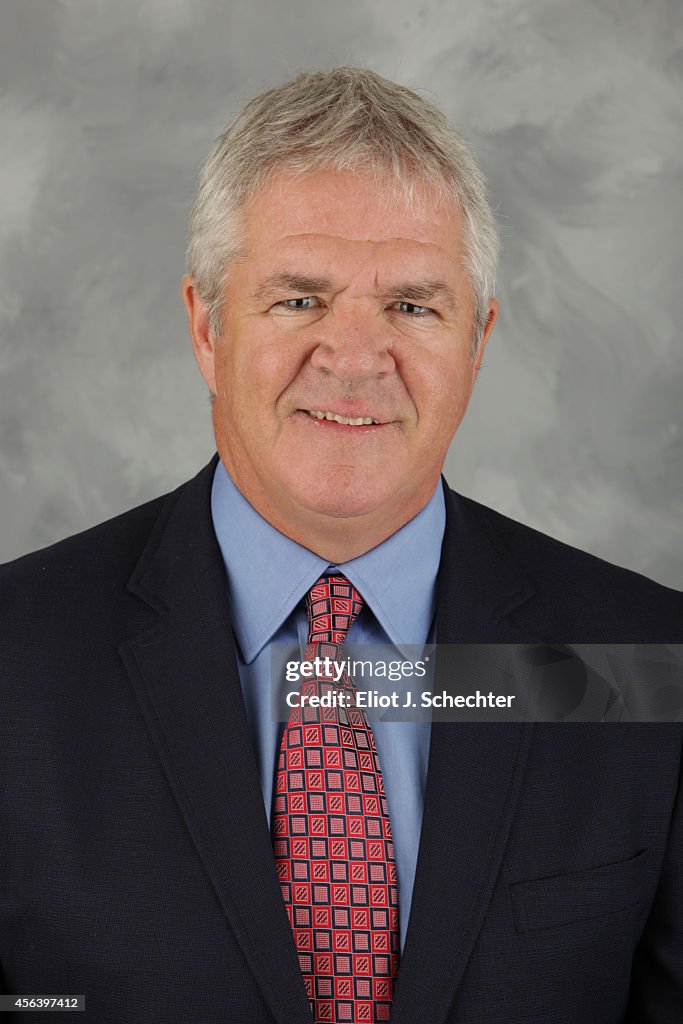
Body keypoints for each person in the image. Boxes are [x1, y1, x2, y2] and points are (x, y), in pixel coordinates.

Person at [1, 67, 682, 1024]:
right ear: (206, 325)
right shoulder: (15, 657)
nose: (356, 359)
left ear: (478, 339)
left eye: (412, 305)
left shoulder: (643, 662)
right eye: (299, 300)